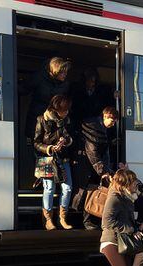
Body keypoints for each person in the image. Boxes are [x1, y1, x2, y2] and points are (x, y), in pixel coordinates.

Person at [34, 95, 74, 231]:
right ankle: (48, 219)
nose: (67, 112)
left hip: (63, 158)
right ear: (56, 108)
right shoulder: (42, 119)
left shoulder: (67, 120)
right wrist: (49, 148)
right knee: (49, 188)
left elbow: (70, 137)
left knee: (67, 188)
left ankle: (62, 218)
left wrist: (66, 141)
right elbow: (36, 142)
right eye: (65, 109)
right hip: (46, 159)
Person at [75, 107, 119, 231]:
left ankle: (90, 219)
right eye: (112, 120)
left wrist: (106, 170)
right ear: (105, 116)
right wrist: (103, 171)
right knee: (89, 192)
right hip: (87, 165)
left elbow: (102, 152)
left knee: (92, 192)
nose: (113, 123)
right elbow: (92, 151)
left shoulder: (100, 128)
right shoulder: (94, 127)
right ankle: (86, 221)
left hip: (93, 165)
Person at [25, 57, 72, 140]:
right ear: (56, 70)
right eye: (63, 72)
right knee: (36, 142)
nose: (65, 74)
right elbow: (24, 88)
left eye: (66, 72)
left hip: (55, 120)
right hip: (37, 116)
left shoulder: (65, 84)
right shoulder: (39, 78)